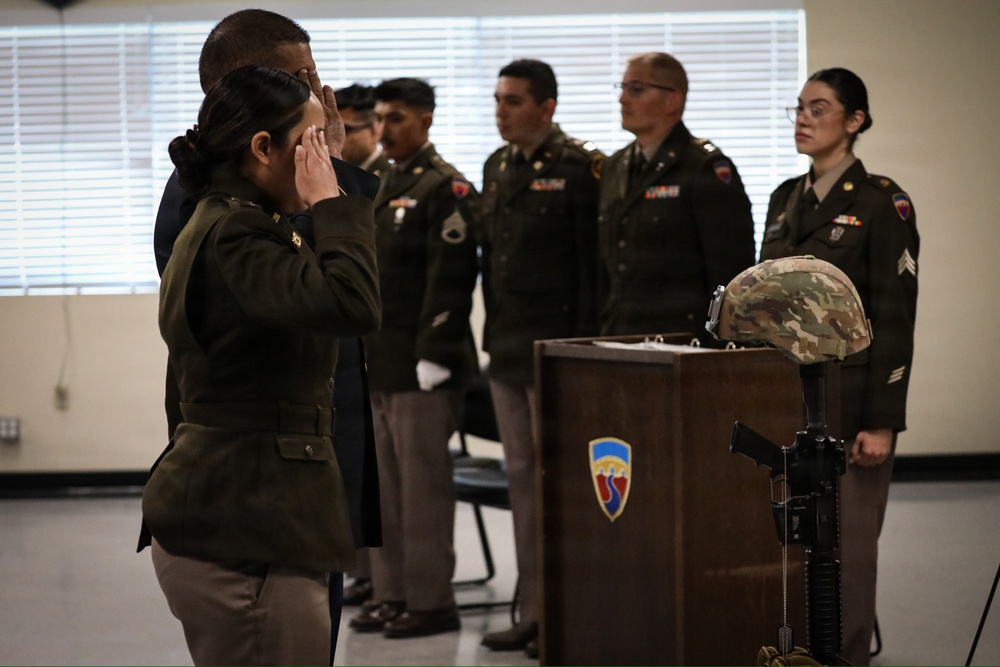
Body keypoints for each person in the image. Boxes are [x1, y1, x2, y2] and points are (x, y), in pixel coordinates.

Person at [147, 10, 383, 663]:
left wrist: (324, 167)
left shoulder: (244, 205)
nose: (320, 91)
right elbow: (346, 297)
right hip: (254, 495)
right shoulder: (220, 217)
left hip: (285, 484)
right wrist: (330, 186)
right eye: (301, 78)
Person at [759, 67, 918, 666]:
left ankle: (844, 655)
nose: (803, 119)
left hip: (851, 404)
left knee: (848, 545)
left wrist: (881, 421)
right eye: (798, 108)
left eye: (818, 108)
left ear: (854, 122)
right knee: (791, 539)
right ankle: (797, 650)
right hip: (787, 398)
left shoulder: (881, 203)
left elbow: (895, 319)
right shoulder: (783, 198)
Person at [477, 58, 603, 657]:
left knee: (563, 489)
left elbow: (591, 270)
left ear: (547, 107)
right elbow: (492, 267)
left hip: (557, 352)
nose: (500, 111)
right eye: (498, 99)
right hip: (507, 349)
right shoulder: (497, 167)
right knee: (524, 485)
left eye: (512, 101)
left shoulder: (581, 168)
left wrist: (579, 352)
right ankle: (533, 612)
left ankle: (571, 612)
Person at [347, 77, 479, 639]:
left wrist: (435, 353)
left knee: (422, 490)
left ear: (425, 119)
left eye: (397, 117)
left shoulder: (443, 187)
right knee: (386, 488)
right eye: (380, 118)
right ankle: (389, 590)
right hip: (382, 358)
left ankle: (430, 601)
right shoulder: (380, 184)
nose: (386, 128)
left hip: (426, 366)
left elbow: (449, 281)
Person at [597, 52, 756, 340]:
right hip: (620, 335)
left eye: (636, 88)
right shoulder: (614, 166)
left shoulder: (704, 167)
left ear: (673, 100)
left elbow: (730, 274)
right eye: (622, 88)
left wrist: (721, 350)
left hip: (682, 341)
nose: (622, 99)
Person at [333, 82, 390, 609]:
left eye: (353, 128)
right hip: (363, 351)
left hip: (400, 353)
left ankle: (408, 592)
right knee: (364, 475)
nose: (343, 138)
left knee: (403, 487)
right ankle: (371, 580)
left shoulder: (388, 181)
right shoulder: (334, 184)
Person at [335, 83, 391, 179]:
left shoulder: (388, 178)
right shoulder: (337, 176)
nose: (333, 140)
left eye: (344, 131)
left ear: (374, 129)